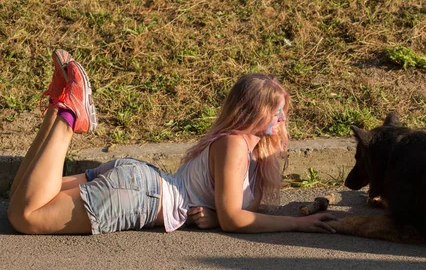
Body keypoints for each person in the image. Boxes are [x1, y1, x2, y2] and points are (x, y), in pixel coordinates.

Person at [8, 49, 337, 235]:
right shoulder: (234, 145)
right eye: (277, 114)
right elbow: (234, 219)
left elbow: (230, 211)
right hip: (140, 196)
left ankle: (59, 106)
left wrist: (214, 214)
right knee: (27, 217)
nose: (283, 121)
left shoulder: (243, 151)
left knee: (22, 199)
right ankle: (68, 119)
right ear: (254, 114)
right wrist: (297, 223)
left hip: (138, 182)